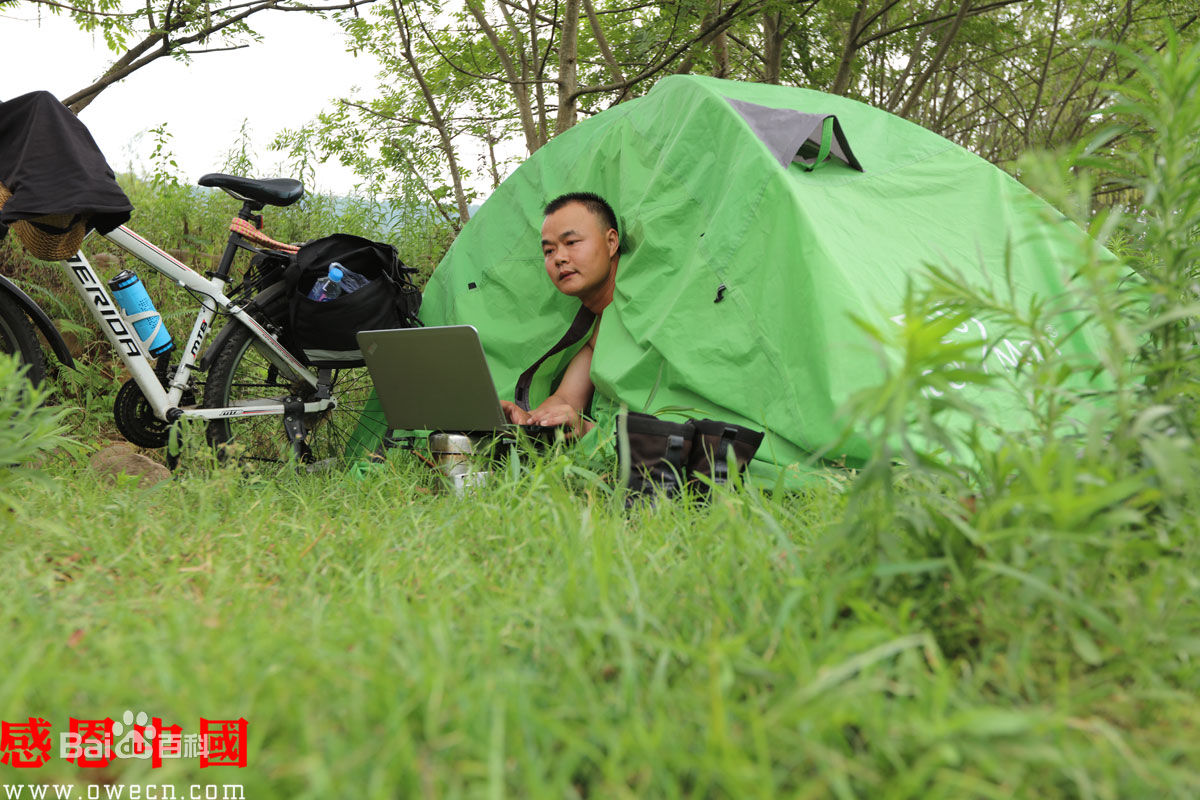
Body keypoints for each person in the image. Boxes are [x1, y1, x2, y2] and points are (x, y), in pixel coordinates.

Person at [499, 192, 619, 436]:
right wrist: (527, 421)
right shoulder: (598, 327)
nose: (559, 258)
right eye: (549, 251)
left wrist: (586, 430)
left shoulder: (648, 312)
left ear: (611, 242)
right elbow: (565, 399)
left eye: (572, 242)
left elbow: (671, 422)